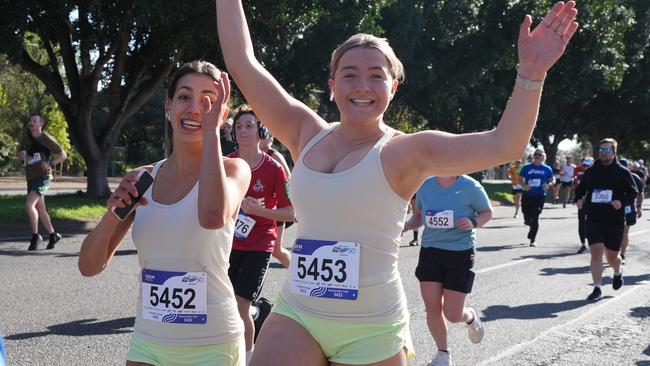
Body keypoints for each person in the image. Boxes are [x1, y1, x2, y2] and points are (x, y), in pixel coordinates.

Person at [216, 1, 578, 365]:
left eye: (376, 75)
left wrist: (531, 75)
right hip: (298, 312)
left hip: (370, 328)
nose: (362, 85)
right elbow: (242, 62)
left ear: (393, 87)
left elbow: (505, 145)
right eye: (350, 74)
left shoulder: (408, 151)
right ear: (332, 85)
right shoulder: (303, 131)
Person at [78, 61, 251, 365]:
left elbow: (212, 216)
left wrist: (211, 133)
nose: (196, 109)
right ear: (168, 106)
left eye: (209, 101)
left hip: (212, 344)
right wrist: (111, 215)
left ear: (222, 115)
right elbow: (89, 266)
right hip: (149, 342)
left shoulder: (234, 170)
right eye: (185, 97)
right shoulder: (142, 179)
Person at [227, 104, 294, 364]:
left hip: (260, 244)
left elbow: (291, 212)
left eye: (249, 125)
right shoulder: (226, 164)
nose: (243, 130)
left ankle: (247, 358)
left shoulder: (274, 169)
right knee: (225, 306)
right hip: (228, 243)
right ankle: (258, 311)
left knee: (239, 307)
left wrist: (259, 211)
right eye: (238, 126)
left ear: (261, 132)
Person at [403, 175, 493, 366]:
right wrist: (404, 226)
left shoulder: (470, 186)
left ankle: (469, 316)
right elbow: (419, 215)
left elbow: (486, 211)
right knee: (432, 306)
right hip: (430, 251)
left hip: (460, 251)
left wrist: (473, 223)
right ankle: (443, 354)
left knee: (453, 314)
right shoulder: (425, 185)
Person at [575, 138, 637, 301]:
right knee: (596, 253)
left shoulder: (623, 172)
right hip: (594, 218)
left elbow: (633, 193)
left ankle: (617, 272)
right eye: (601, 151)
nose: (603, 154)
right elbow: (580, 189)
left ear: (614, 152)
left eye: (606, 150)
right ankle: (597, 288)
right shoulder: (591, 172)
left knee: (611, 256)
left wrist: (621, 202)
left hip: (614, 220)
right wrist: (579, 199)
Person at [16, 114, 67, 251]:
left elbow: (63, 155)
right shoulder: (26, 140)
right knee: (40, 209)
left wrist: (51, 163)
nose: (31, 122)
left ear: (41, 124)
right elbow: (19, 155)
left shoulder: (47, 139)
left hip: (43, 177)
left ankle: (35, 236)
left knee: (29, 205)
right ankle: (53, 235)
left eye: (34, 120)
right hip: (31, 178)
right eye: (30, 120)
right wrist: (21, 156)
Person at [259, 130, 293, 268]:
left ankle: (296, 274)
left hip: (276, 209)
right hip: (256, 209)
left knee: (275, 250)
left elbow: (289, 181)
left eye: (268, 135)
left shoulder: (275, 156)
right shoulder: (250, 156)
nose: (264, 138)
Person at [518, 149, 555, 247]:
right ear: (533, 156)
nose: (537, 156)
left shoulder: (547, 169)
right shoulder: (526, 167)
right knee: (527, 218)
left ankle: (533, 240)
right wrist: (524, 186)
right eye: (536, 154)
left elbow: (552, 180)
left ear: (543, 156)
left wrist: (548, 184)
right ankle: (530, 225)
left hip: (539, 197)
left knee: (535, 217)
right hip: (527, 195)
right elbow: (520, 179)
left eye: (539, 154)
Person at [618, 158, 644, 264]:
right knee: (612, 232)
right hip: (613, 208)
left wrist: (638, 207)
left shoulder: (635, 178)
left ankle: (622, 254)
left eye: (626, 167)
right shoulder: (613, 176)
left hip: (628, 207)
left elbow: (640, 194)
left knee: (624, 232)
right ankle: (614, 252)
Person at [575, 157, 593, 254]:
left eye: (588, 165)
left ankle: (594, 244)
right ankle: (583, 245)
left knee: (592, 224)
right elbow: (578, 190)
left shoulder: (598, 175)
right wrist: (578, 200)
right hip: (583, 203)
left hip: (594, 205)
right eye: (584, 165)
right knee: (581, 223)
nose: (585, 167)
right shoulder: (581, 176)